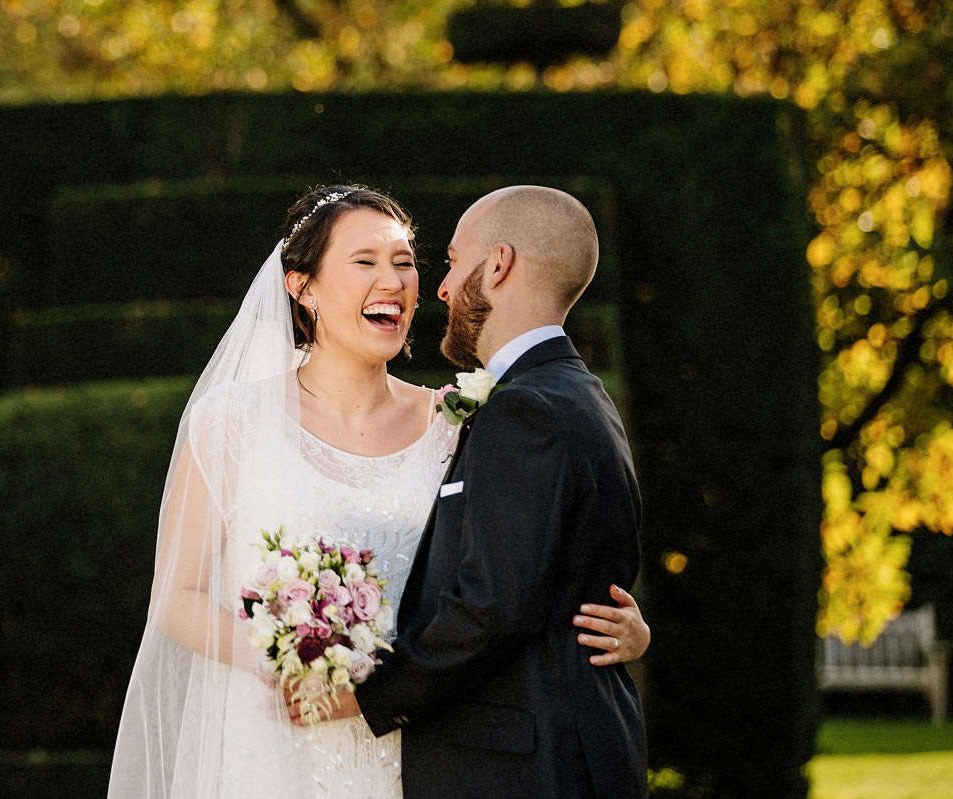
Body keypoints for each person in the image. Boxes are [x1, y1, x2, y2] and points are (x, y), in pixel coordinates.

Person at [108, 185, 649, 798]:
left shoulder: (458, 421)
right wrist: (295, 660)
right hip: (277, 740)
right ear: (301, 285)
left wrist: (615, 628)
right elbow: (178, 595)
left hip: (420, 745)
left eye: (406, 262)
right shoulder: (231, 422)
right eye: (365, 262)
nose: (394, 281)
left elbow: (513, 572)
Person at [291, 185, 649, 798]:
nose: (440, 287)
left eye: (452, 263)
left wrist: (366, 696)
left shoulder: (526, 411)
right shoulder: (578, 394)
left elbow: (491, 607)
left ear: (500, 265)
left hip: (524, 767)